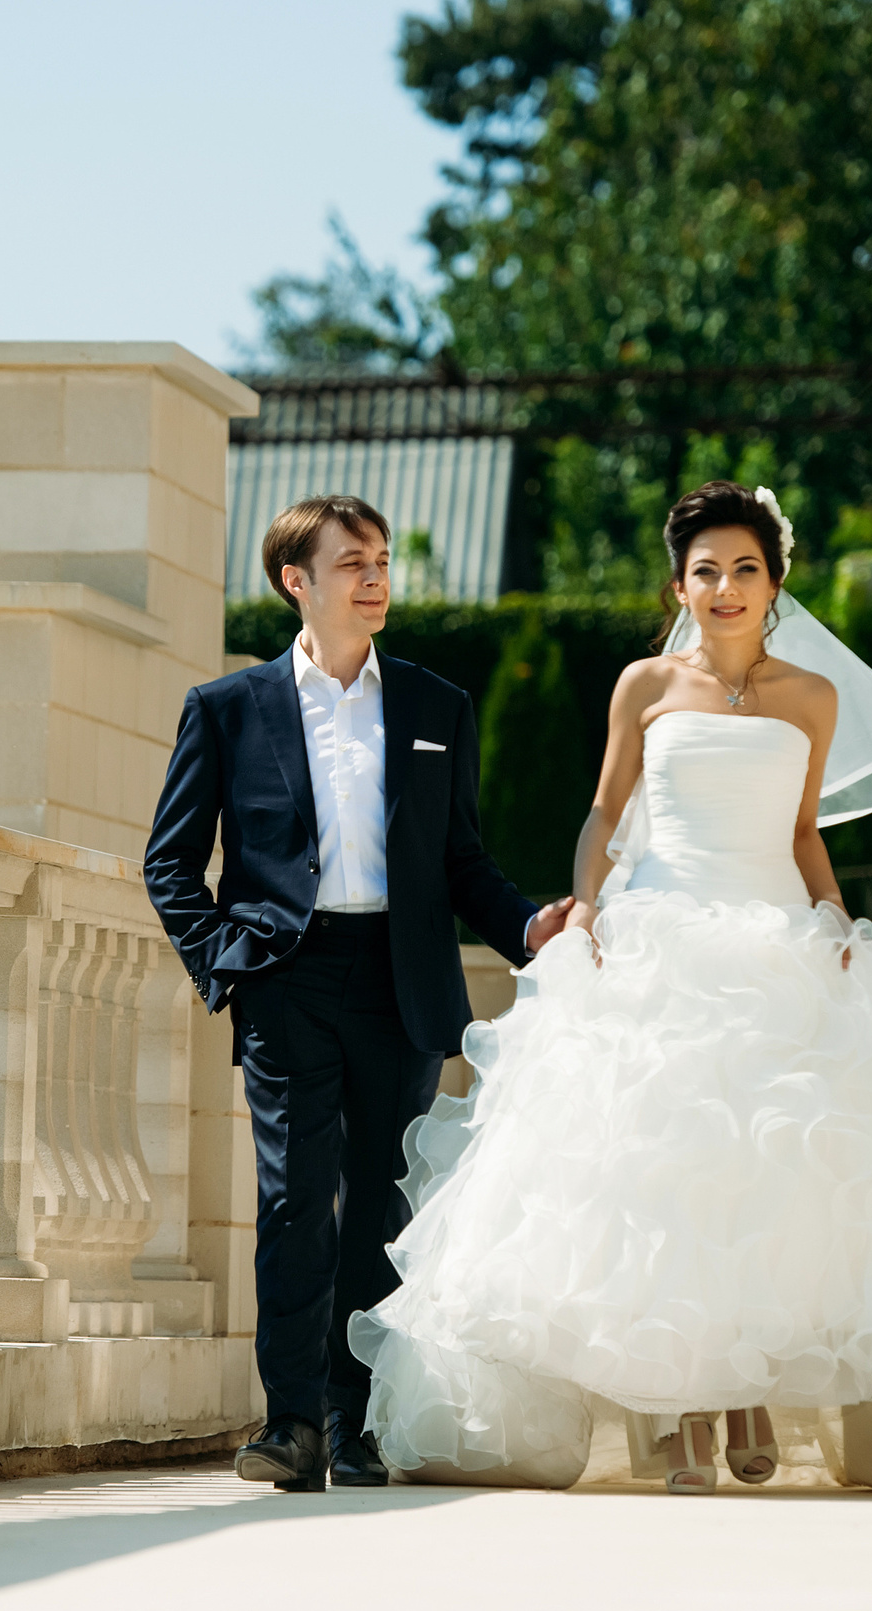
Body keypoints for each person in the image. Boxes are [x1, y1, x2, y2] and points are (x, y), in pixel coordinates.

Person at [349, 481, 872, 1497]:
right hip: (660, 933)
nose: (725, 587)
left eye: (746, 568)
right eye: (706, 570)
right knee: (659, 1177)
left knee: (771, 1181)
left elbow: (803, 830)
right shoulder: (642, 683)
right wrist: (587, 904)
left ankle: (750, 1394)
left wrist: (837, 923)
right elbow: (603, 814)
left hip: (775, 938)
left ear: (776, 581)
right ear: (679, 583)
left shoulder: (811, 695)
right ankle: (674, 1419)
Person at [144, 494, 572, 1493]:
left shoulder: (435, 706)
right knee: (296, 1199)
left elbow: (461, 860)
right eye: (351, 562)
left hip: (401, 978)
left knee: (380, 1203)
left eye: (380, 558)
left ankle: (359, 1419)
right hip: (285, 977)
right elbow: (170, 862)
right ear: (297, 580)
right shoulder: (226, 709)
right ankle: (291, 1422)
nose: (374, 576)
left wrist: (524, 928)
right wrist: (225, 964)